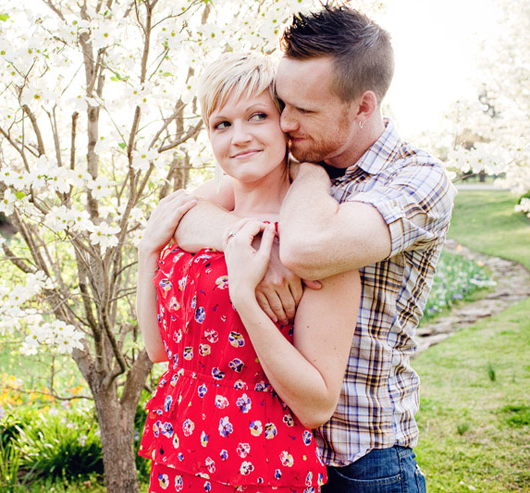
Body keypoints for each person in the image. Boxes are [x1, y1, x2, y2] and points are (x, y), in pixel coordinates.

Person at [173, 5, 457, 493]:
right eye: (282, 104)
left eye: (304, 110)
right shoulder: (299, 157)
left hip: (361, 459)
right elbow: (179, 216)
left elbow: (308, 249)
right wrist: (248, 238)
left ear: (363, 106)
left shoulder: (415, 180)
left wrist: (297, 202)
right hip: (275, 449)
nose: (284, 123)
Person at [136, 52, 361, 493]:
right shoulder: (197, 216)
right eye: (222, 124)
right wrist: (148, 253)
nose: (238, 137)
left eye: (256, 116)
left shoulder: (310, 241)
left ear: (285, 123)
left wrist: (245, 299)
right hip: (181, 453)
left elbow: (317, 404)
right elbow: (160, 351)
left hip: (259, 466)